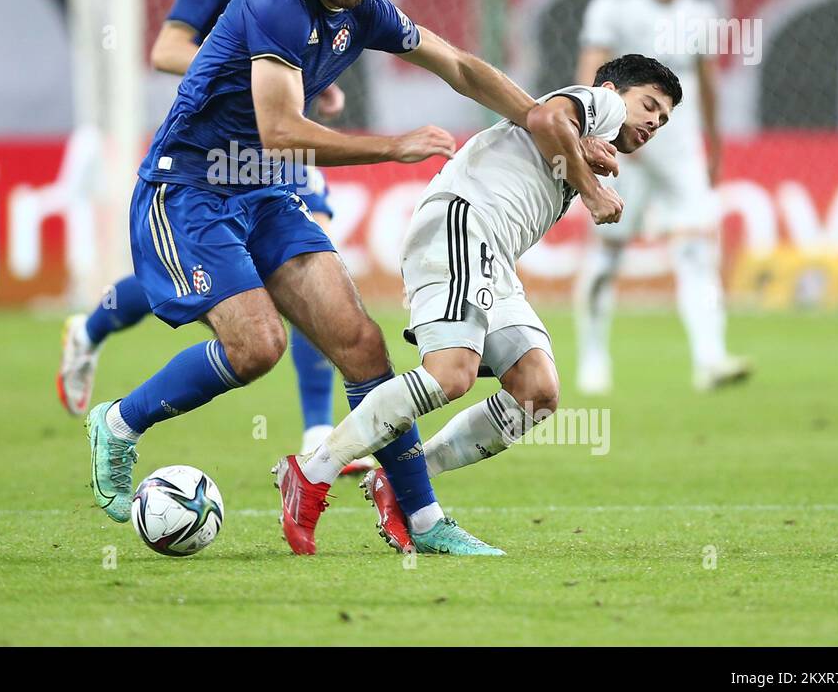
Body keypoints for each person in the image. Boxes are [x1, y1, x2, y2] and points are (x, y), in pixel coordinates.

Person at [85, 0, 619, 555]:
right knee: (258, 347)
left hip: (266, 196)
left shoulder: (365, 10)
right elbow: (280, 130)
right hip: (189, 188)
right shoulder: (277, 3)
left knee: (364, 347)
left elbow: (456, 64)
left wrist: (544, 119)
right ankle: (119, 422)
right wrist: (389, 146)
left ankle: (423, 522)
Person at [281, 54, 680, 556]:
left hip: (493, 259)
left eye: (663, 120)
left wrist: (579, 155)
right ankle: (311, 472)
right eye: (648, 105)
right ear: (609, 89)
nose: (652, 122)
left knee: (536, 391)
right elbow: (549, 117)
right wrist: (593, 189)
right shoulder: (600, 105)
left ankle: (403, 486)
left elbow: (553, 130)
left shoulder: (586, 133)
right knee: (451, 374)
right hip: (462, 227)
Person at [56, 0, 369, 470]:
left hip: (285, 152)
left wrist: (313, 84)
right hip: (217, 153)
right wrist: (245, 64)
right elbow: (167, 49)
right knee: (210, 284)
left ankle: (317, 432)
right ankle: (91, 329)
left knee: (314, 263)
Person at [573, 0, 751, 394]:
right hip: (623, 145)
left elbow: (708, 83)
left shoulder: (700, 12)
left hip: (680, 149)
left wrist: (714, 143)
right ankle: (592, 357)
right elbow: (591, 72)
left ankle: (710, 358)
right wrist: (593, 132)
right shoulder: (612, 5)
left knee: (696, 250)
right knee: (609, 253)